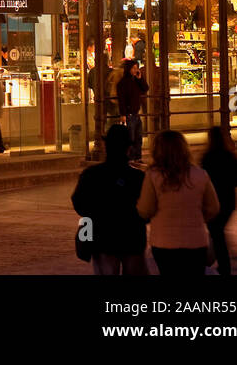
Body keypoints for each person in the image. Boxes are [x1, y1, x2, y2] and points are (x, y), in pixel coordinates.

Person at [137, 130, 220, 275]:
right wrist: (196, 218)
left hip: (163, 241)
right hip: (196, 240)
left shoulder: (153, 176)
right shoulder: (200, 174)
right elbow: (213, 208)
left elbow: (146, 209)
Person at [71, 124, 148, 275]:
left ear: (106, 146)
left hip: (102, 239)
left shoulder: (91, 175)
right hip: (132, 238)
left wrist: (96, 214)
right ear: (128, 148)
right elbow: (148, 209)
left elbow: (78, 202)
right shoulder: (138, 177)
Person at [200, 128, 237, 276]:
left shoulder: (207, 157)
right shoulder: (230, 156)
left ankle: (220, 264)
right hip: (229, 200)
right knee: (218, 232)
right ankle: (219, 262)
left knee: (217, 233)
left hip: (213, 200)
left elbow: (202, 180)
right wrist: (229, 181)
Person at [116, 58, 149, 162]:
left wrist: (140, 78)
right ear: (128, 69)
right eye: (134, 68)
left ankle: (137, 157)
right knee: (131, 138)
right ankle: (130, 158)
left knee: (138, 137)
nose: (136, 70)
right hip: (129, 114)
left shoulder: (135, 81)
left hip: (136, 113)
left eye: (137, 68)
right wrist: (123, 114)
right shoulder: (123, 83)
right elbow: (122, 99)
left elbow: (145, 88)